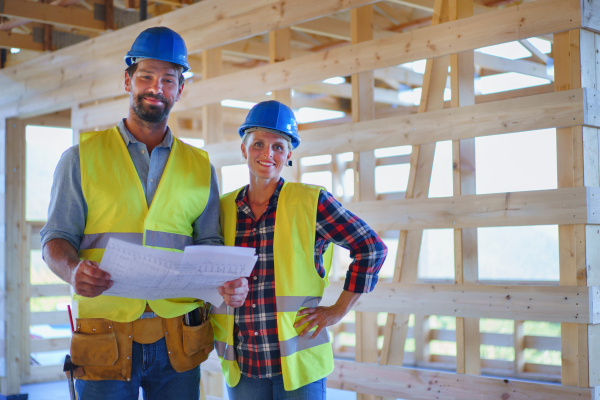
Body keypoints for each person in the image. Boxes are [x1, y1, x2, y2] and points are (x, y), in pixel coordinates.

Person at [40, 26, 249, 400]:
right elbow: (55, 239)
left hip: (179, 338)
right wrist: (72, 271)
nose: (157, 88)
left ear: (180, 90)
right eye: (146, 76)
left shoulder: (200, 167)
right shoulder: (80, 159)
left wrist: (225, 280)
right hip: (105, 334)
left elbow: (210, 243)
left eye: (169, 79)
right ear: (127, 81)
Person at [212, 100, 388, 399]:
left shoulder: (312, 202)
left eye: (278, 147)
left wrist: (338, 310)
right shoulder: (223, 208)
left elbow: (371, 248)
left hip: (299, 364)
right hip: (243, 365)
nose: (268, 154)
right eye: (258, 144)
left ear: (288, 154)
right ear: (244, 149)